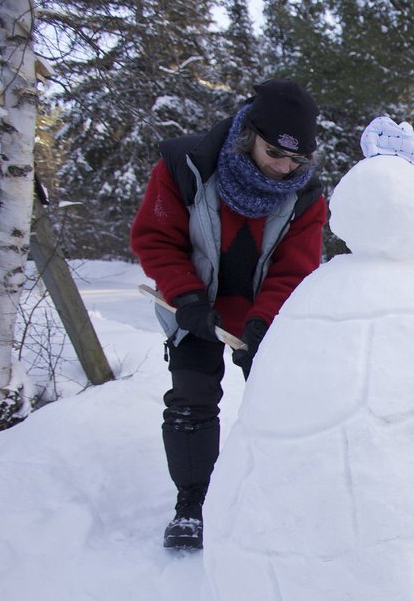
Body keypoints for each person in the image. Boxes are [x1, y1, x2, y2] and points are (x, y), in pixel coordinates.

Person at [131, 79, 327, 550]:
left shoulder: (306, 197)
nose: (283, 169)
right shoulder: (186, 167)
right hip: (193, 307)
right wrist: (188, 299)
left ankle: (279, 496)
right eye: (274, 153)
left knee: (281, 404)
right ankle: (193, 505)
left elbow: (295, 269)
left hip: (262, 318)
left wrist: (263, 322)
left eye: (296, 161)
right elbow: (155, 238)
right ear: (249, 134)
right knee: (192, 399)